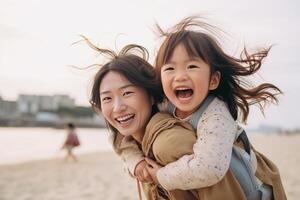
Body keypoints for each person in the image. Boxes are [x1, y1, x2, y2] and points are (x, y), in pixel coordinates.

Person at [115, 17, 286, 199]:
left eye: (192, 66)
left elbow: (209, 168)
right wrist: (136, 163)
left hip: (251, 189)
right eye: (170, 69)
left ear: (213, 80)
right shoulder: (164, 104)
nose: (180, 76)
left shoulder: (217, 114)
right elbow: (122, 139)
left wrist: (161, 176)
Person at [88, 41, 248, 199]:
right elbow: (119, 141)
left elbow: (210, 172)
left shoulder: (170, 141)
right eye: (107, 98)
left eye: (127, 93)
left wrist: (161, 175)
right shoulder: (164, 111)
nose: (117, 108)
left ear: (151, 95)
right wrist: (135, 162)